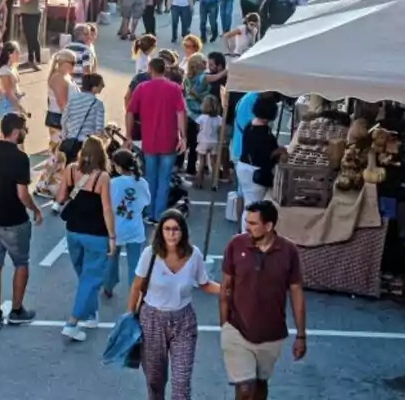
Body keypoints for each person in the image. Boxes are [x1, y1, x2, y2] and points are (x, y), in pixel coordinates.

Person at [128, 208, 221, 400]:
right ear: (160, 232)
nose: (171, 233)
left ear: (183, 232)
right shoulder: (150, 254)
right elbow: (136, 286)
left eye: (176, 229)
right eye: (167, 229)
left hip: (184, 321)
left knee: (181, 383)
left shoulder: (193, 254)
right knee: (155, 381)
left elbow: (204, 284)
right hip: (152, 319)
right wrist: (130, 316)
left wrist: (231, 290)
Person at [221, 201, 307, 400]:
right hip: (237, 330)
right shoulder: (236, 244)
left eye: (253, 223)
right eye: (246, 222)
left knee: (260, 386)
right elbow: (226, 286)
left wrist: (301, 335)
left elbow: (296, 292)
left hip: (272, 333)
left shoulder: (289, 251)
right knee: (244, 390)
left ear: (268, 226)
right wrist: (224, 324)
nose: (247, 227)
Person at [0, 112, 42, 330]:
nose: (25, 133)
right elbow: (22, 194)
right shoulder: (20, 158)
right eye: (24, 129)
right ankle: (16, 310)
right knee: (21, 263)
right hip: (14, 220)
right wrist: (35, 209)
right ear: (16, 132)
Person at [55, 137, 115, 342]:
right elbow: (107, 209)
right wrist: (112, 236)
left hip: (72, 231)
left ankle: (91, 313)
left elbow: (61, 198)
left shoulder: (71, 169)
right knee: (90, 279)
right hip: (96, 234)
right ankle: (72, 322)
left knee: (84, 276)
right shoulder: (103, 177)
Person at [127, 57, 186, 222]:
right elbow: (180, 113)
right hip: (169, 140)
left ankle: (149, 211)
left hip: (149, 141)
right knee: (164, 179)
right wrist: (183, 136)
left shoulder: (142, 87)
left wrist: (129, 135)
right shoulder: (175, 88)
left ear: (150, 70)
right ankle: (159, 214)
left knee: (149, 177)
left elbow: (130, 111)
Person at [103, 148, 151, 299]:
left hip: (115, 228)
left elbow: (107, 204)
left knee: (111, 259)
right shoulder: (141, 182)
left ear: (117, 166)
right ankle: (134, 292)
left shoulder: (113, 183)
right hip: (135, 228)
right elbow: (146, 201)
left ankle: (108, 286)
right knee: (135, 264)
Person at [35, 49, 78, 199]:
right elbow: (62, 103)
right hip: (60, 120)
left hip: (61, 119)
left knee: (58, 155)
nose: (74, 66)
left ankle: (49, 185)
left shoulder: (64, 76)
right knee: (56, 155)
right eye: (72, 63)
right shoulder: (59, 78)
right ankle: (46, 186)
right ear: (63, 63)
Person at [238, 97, 284, 231]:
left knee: (248, 202)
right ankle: (248, 233)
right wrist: (279, 152)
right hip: (255, 172)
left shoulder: (249, 125)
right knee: (253, 207)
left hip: (243, 167)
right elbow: (266, 157)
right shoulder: (265, 135)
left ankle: (245, 232)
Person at [60, 72, 106, 164]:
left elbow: (64, 119)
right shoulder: (98, 104)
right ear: (94, 88)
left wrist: (65, 135)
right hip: (87, 145)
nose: (103, 86)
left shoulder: (73, 99)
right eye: (101, 85)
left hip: (71, 142)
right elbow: (99, 129)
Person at [183, 53, 207, 176]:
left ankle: (178, 163)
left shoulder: (187, 78)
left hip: (188, 112)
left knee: (186, 140)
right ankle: (191, 168)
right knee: (195, 143)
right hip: (199, 114)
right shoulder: (202, 78)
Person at [15, 0, 43, 68]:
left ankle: (37, 59)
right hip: (25, 14)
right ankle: (30, 59)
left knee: (33, 37)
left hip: (33, 15)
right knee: (28, 37)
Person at [0, 41, 27, 126]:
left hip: (13, 105)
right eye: (17, 52)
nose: (19, 54)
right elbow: (8, 93)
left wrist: (19, 94)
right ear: (9, 54)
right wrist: (21, 109)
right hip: (8, 107)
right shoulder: (4, 71)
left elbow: (13, 89)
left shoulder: (12, 68)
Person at [195, 94, 223, 189]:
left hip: (203, 140)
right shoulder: (219, 119)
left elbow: (198, 128)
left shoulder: (202, 117)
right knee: (214, 163)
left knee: (202, 162)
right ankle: (214, 183)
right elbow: (220, 131)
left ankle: (199, 181)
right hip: (214, 141)